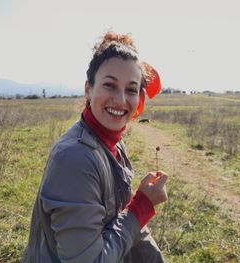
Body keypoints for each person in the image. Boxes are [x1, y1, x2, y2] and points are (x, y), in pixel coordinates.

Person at [22, 31, 168, 263]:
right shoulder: (74, 158)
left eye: (131, 89)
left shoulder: (113, 144)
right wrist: (142, 205)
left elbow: (117, 221)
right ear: (88, 89)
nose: (121, 100)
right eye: (109, 85)